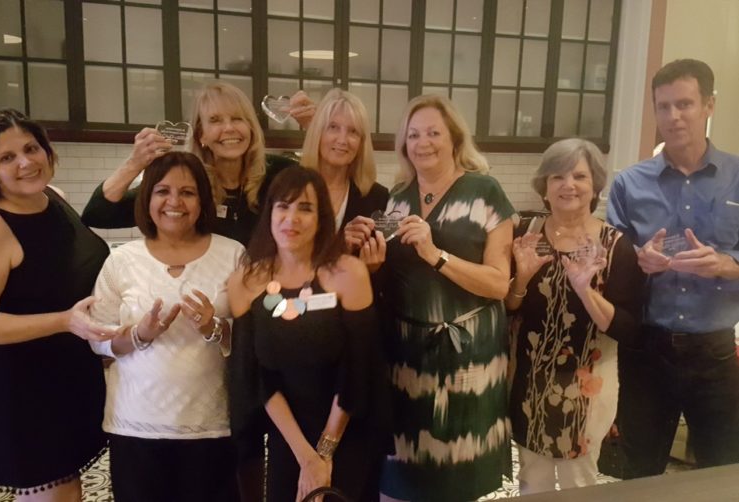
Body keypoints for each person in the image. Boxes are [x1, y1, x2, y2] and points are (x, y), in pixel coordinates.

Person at [0, 109, 114, 500]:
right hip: (25, 391)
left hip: (69, 375)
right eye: (7, 157)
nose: (26, 162)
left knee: (68, 492)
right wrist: (65, 321)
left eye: (31, 148)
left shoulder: (53, 199)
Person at [375, 95, 515, 502]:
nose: (423, 143)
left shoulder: (485, 191)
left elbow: (498, 284)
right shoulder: (397, 198)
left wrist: (436, 254)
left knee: (458, 471)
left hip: (469, 356)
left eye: (434, 133)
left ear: (454, 137)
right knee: (406, 468)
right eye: (413, 135)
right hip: (407, 357)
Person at [607, 58, 739, 478]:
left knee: (723, 471)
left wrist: (727, 265)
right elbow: (611, 263)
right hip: (647, 349)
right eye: (663, 106)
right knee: (639, 472)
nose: (673, 116)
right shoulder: (629, 184)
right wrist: (637, 260)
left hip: (715, 351)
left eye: (684, 104)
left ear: (709, 105)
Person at [228, 166, 391, 502]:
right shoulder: (246, 281)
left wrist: (325, 451)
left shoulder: (348, 273)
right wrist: (306, 456)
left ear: (321, 218)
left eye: (305, 208)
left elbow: (358, 369)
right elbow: (257, 377)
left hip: (347, 427)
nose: (292, 219)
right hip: (288, 435)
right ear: (269, 213)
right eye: (283, 206)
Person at [88, 151, 244, 502]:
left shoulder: (232, 254)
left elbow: (252, 337)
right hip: (135, 425)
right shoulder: (122, 260)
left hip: (210, 424)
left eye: (187, 192)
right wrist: (138, 335)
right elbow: (97, 337)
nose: (175, 202)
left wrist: (213, 327)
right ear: (147, 199)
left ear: (202, 201)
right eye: (162, 191)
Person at [505, 138, 644, 494]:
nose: (568, 185)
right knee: (531, 482)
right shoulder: (524, 234)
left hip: (588, 390)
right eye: (557, 176)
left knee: (579, 485)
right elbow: (506, 309)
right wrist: (521, 279)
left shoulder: (615, 246)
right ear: (544, 187)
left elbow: (629, 329)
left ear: (595, 186)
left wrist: (585, 290)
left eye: (579, 176)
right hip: (529, 383)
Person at [81, 82, 315, 245]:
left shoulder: (281, 173)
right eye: (215, 120)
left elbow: (326, 193)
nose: (229, 128)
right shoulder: (185, 180)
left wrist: (314, 126)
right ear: (201, 134)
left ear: (251, 128)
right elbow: (98, 214)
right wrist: (134, 163)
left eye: (237, 119)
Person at [300, 88, 388, 238]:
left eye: (353, 131)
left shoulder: (379, 197)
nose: (342, 140)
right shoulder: (291, 190)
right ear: (317, 133)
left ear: (362, 143)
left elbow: (384, 248)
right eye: (333, 127)